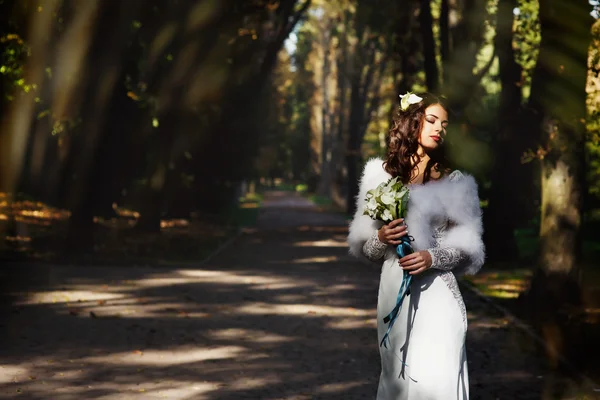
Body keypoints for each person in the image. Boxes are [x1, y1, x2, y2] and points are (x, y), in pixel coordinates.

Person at [347, 92, 485, 399]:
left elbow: (467, 246)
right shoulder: (379, 177)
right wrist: (381, 238)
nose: (440, 129)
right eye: (432, 120)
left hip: (437, 293)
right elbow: (367, 251)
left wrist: (431, 257)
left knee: (435, 380)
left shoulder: (456, 181)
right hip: (393, 292)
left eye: (445, 124)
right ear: (413, 123)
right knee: (397, 380)